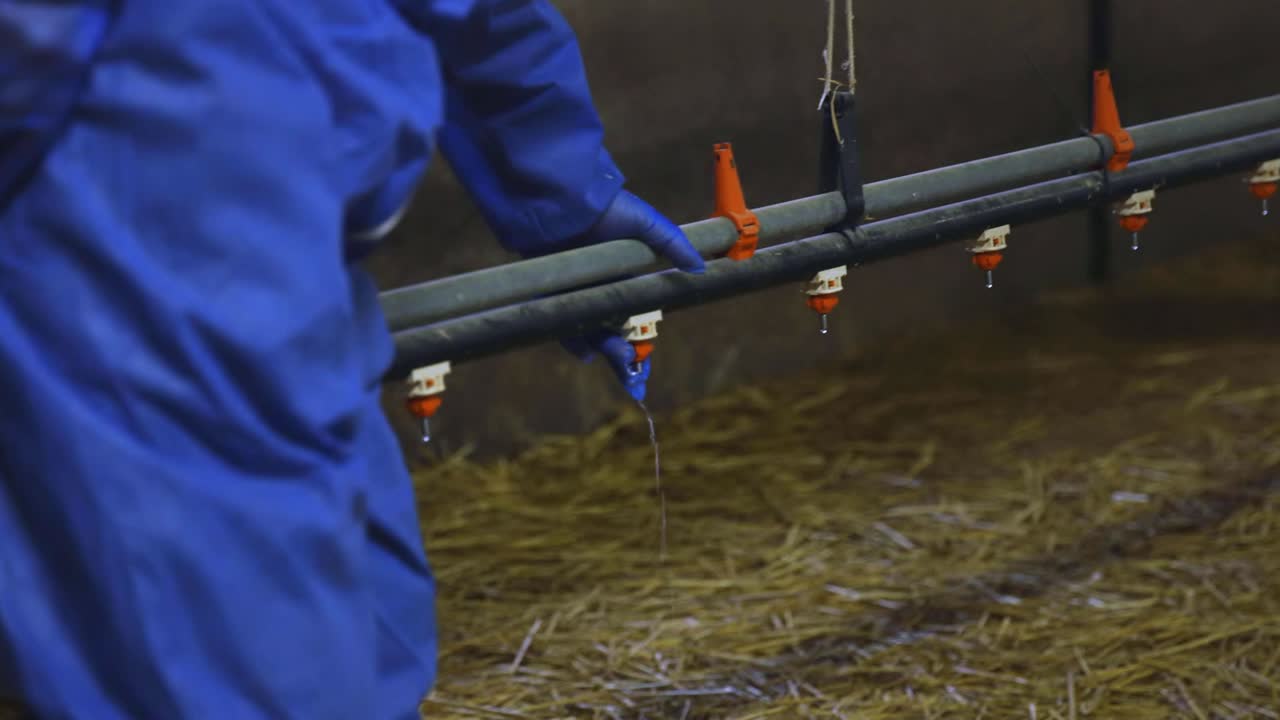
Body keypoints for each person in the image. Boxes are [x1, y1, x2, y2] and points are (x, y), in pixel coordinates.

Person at [0, 1, 704, 718]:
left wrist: (561, 192)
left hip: (269, 225)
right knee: (238, 654)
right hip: (138, 213)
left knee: (351, 628)